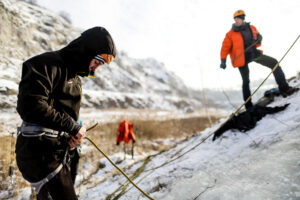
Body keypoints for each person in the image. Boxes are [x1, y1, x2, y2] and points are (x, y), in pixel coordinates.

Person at [15, 27, 116, 200]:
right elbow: (30, 106)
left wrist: (72, 136)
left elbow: (63, 116)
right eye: (97, 63)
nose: (96, 69)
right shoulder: (45, 64)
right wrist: (71, 126)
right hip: (40, 154)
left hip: (57, 152)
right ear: (87, 50)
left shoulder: (75, 78)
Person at [220, 10, 296, 109]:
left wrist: (259, 38)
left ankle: (284, 88)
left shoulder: (251, 28)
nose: (236, 21)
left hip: (253, 54)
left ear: (243, 19)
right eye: (235, 19)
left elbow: (257, 37)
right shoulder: (230, 34)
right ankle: (248, 105)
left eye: (238, 18)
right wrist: (223, 60)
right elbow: (224, 48)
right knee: (246, 80)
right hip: (241, 59)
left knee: (274, 63)